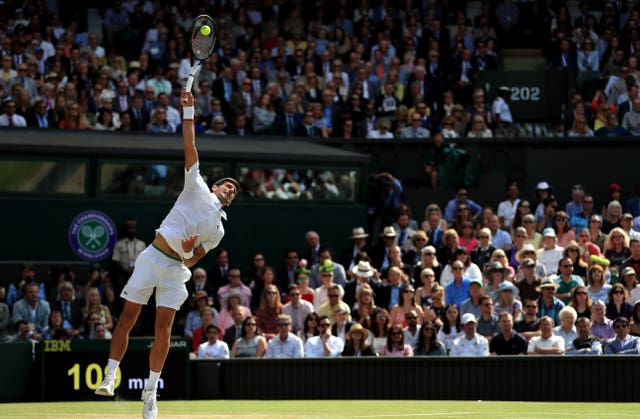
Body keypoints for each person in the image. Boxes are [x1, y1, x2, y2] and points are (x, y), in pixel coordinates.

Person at [95, 90, 240, 419]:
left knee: (164, 331)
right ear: (215, 186)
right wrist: (188, 112)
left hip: (176, 270)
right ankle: (108, 375)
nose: (231, 188)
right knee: (128, 319)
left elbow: (191, 261)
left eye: (235, 189)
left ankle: (150, 393)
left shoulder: (218, 231)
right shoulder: (196, 185)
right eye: (227, 184)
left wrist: (188, 251)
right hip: (153, 258)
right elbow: (190, 144)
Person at [111, 219, 146, 288]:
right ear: (125, 229)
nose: (130, 230)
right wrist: (126, 271)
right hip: (123, 275)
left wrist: (136, 270)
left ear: (135, 229)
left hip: (138, 274)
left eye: (132, 227)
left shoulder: (141, 244)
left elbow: (145, 260)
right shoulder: (119, 244)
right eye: (128, 228)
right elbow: (115, 261)